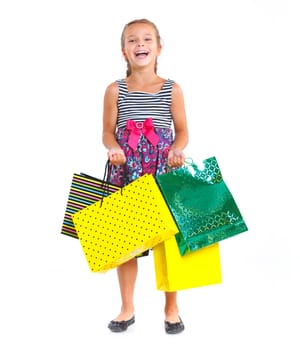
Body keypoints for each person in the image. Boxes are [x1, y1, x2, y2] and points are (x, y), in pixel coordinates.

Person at [102, 18, 189, 334]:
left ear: (159, 47)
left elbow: (182, 132)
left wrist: (177, 150)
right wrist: (113, 149)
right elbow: (107, 133)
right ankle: (127, 307)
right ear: (123, 51)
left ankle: (172, 308)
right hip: (127, 171)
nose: (140, 44)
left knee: (169, 240)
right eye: (133, 40)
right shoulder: (115, 90)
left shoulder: (172, 89)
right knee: (128, 242)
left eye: (147, 39)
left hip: (163, 170)